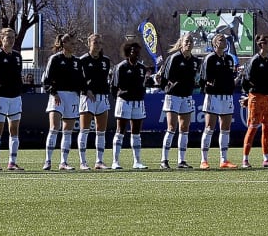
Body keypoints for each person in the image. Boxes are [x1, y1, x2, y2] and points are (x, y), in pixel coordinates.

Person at [41, 33, 83, 171]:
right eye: (71, 43)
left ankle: (63, 162)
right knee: (54, 128)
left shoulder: (77, 61)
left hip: (72, 97)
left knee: (68, 130)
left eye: (74, 43)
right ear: (64, 43)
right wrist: (53, 92)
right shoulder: (55, 59)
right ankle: (48, 161)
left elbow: (80, 81)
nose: (73, 45)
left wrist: (82, 91)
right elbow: (46, 79)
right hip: (57, 96)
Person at [158, 34, 200, 170]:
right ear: (181, 43)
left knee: (184, 128)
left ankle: (181, 160)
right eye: (187, 41)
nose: (189, 43)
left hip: (187, 96)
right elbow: (164, 77)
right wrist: (167, 89)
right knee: (171, 127)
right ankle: (164, 160)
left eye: (191, 41)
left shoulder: (195, 61)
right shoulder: (175, 58)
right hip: (173, 96)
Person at [0, 28, 26, 171]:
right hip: (1, 97)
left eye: (12, 37)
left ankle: (12, 162)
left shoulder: (17, 56)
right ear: (2, 39)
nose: (10, 40)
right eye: (8, 37)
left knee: (14, 131)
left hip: (15, 98)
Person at [201, 33, 240, 169]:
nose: (223, 41)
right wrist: (211, 86)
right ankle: (204, 160)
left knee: (225, 129)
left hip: (227, 96)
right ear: (214, 43)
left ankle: (224, 159)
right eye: (220, 39)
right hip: (214, 96)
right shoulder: (210, 58)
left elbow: (231, 77)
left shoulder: (229, 59)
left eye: (224, 39)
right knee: (209, 128)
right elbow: (203, 78)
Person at [241, 34, 268, 168]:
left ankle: (266, 159)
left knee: (267, 127)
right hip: (256, 97)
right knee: (253, 127)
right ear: (262, 44)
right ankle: (245, 159)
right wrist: (249, 95)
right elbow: (246, 80)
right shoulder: (254, 61)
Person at [111, 40, 150, 170]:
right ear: (128, 52)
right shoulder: (121, 67)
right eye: (133, 51)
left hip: (138, 102)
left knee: (136, 132)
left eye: (138, 51)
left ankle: (137, 161)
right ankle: (115, 161)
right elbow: (114, 86)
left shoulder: (142, 68)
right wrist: (120, 98)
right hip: (124, 101)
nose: (136, 54)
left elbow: (144, 84)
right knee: (120, 131)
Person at [77, 33, 113, 170]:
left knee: (101, 131)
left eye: (99, 43)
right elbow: (79, 79)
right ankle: (83, 162)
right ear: (89, 44)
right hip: (87, 97)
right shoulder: (83, 60)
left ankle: (99, 161)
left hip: (102, 97)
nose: (98, 45)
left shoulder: (106, 61)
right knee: (85, 129)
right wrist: (86, 90)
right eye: (95, 43)